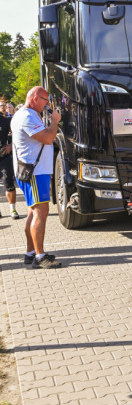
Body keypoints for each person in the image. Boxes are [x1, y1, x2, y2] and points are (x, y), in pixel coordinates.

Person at [11, 86, 62, 268]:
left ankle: (30, 252)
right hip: (35, 172)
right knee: (41, 212)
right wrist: (54, 121)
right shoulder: (27, 116)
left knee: (33, 212)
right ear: (34, 97)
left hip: (33, 170)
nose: (47, 104)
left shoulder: (26, 115)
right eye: (45, 100)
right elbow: (47, 138)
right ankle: (40, 257)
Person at [0, 111, 20, 219]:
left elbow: (18, 135)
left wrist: (10, 146)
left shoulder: (5, 120)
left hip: (4, 158)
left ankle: (13, 209)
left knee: (8, 183)